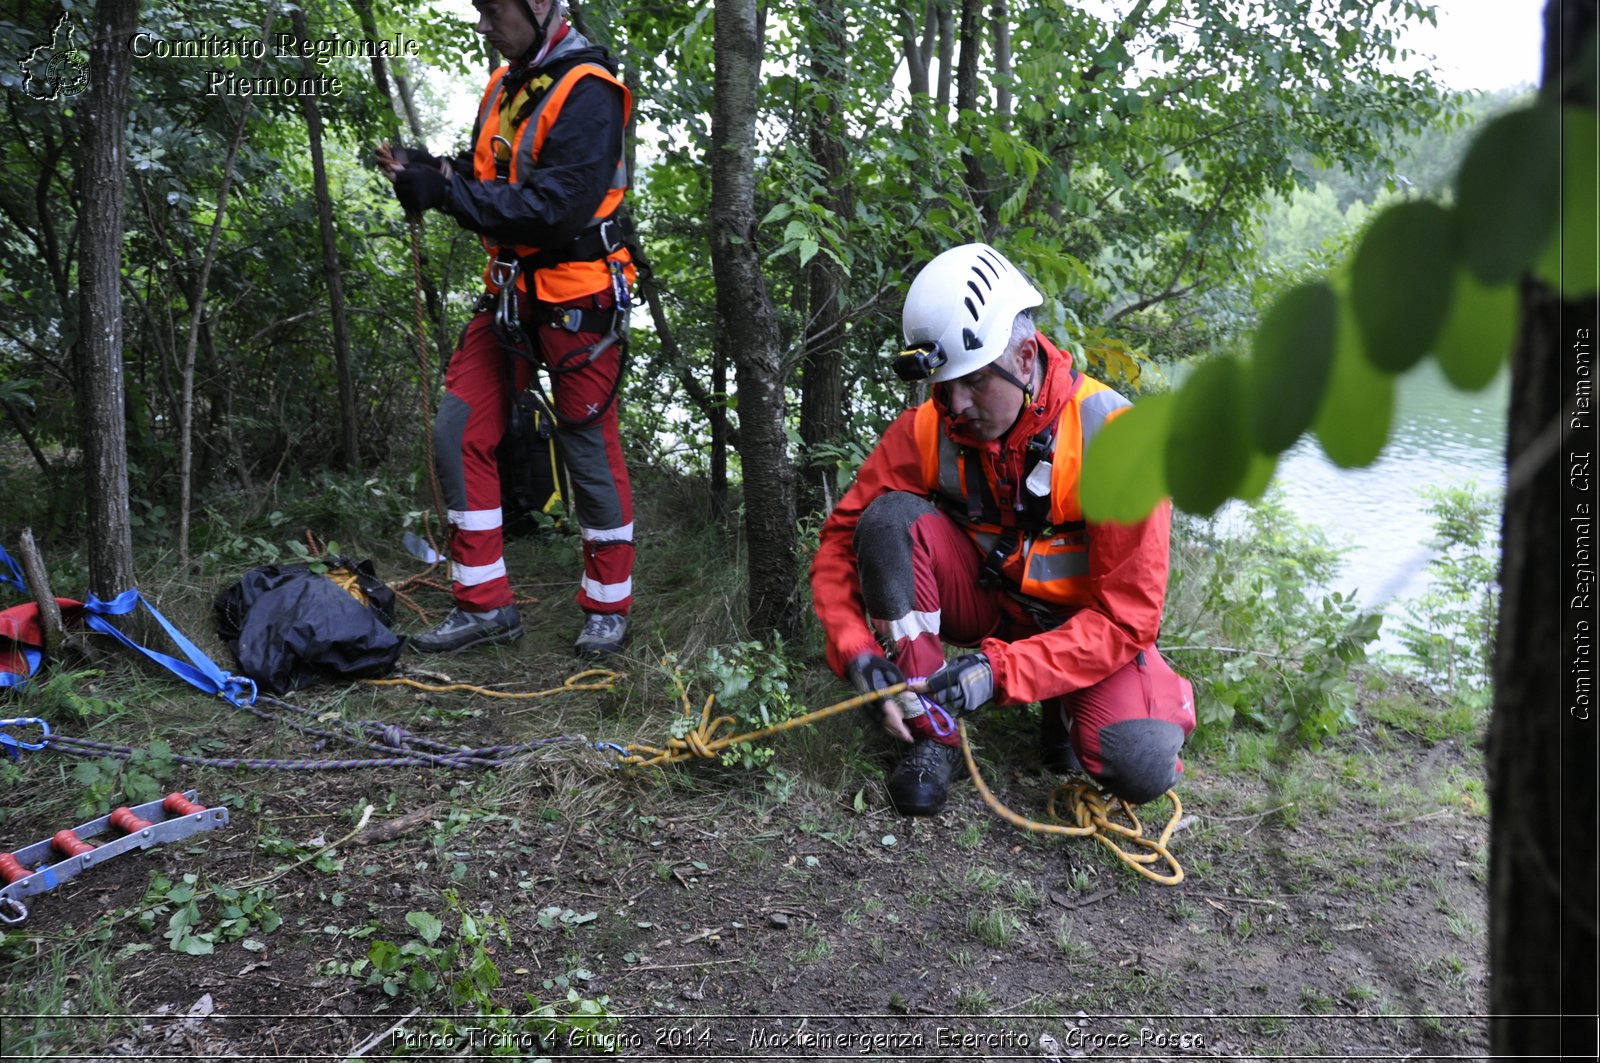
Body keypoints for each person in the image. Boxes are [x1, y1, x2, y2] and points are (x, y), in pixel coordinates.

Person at [810, 243, 1196, 816]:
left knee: (1139, 759)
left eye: (971, 381)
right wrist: (856, 649)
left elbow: (1128, 617)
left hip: (1082, 630)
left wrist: (1000, 671)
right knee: (887, 519)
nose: (956, 404)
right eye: (943, 386)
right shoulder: (928, 427)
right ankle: (929, 732)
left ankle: (1063, 707)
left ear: (1022, 358)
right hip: (989, 605)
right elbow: (840, 543)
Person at [377, 0, 635, 658]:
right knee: (459, 428)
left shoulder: (590, 93)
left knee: (585, 443)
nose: (484, 25)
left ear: (541, 5)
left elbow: (552, 208)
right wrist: (432, 171)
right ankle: (484, 603)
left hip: (579, 296)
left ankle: (609, 605)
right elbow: (488, 174)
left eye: (494, 11)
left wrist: (448, 196)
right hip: (511, 292)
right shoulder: (508, 83)